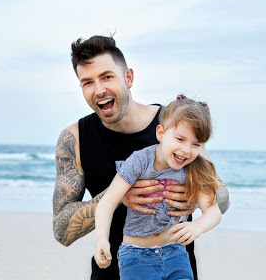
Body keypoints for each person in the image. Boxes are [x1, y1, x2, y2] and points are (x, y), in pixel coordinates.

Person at [52, 35, 230, 280]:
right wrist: (118, 195)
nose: (99, 89)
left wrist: (193, 191)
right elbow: (61, 231)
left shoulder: (176, 125)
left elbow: (222, 201)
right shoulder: (75, 139)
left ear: (128, 78)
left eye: (107, 77)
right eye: (87, 82)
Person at [94, 95, 222, 280]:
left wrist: (198, 226)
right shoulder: (139, 161)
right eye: (180, 139)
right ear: (161, 134)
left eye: (196, 144)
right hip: (136, 257)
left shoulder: (195, 168)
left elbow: (214, 212)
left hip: (176, 254)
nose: (186, 150)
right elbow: (107, 203)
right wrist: (102, 240)